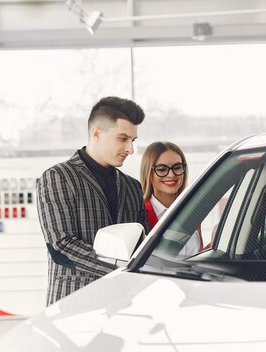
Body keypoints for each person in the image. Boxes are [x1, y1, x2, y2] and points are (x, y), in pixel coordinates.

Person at [37, 96, 149, 306]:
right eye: (123, 138)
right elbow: (61, 246)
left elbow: (142, 242)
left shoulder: (132, 186)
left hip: (122, 306)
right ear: (96, 133)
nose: (130, 149)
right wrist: (122, 269)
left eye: (132, 140)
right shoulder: (57, 177)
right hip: (73, 304)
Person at [140, 141, 202, 255]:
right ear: (148, 172)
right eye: (162, 169)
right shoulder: (140, 214)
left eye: (177, 167)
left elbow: (194, 256)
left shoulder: (191, 209)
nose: (171, 175)